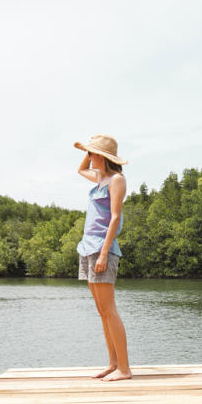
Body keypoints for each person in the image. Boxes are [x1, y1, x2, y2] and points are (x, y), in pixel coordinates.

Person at [74, 134, 132, 381]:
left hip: (102, 249)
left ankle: (124, 369)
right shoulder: (100, 178)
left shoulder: (116, 180)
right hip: (87, 248)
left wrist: (105, 253)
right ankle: (113, 363)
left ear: (103, 157)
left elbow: (115, 217)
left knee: (110, 310)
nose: (88, 157)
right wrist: (87, 150)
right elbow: (80, 170)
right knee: (101, 311)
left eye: (92, 153)